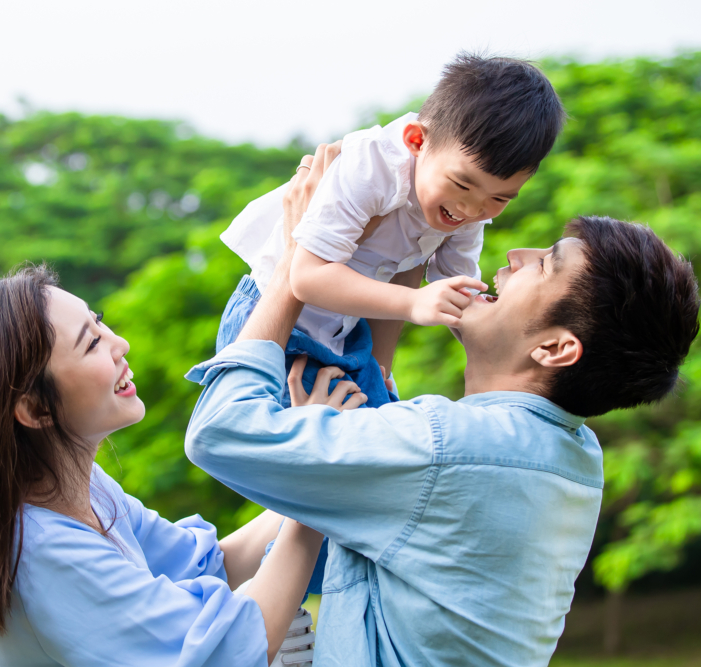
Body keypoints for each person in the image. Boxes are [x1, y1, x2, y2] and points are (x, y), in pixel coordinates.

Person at [185, 143, 701, 666]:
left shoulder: (450, 447)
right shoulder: (571, 457)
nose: (513, 258)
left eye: (544, 265)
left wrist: (296, 260)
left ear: (555, 348)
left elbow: (220, 432)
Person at [0, 262, 350, 666]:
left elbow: (209, 563)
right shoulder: (42, 555)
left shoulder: (82, 491)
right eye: (91, 343)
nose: (120, 343)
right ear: (36, 409)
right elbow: (230, 649)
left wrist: (320, 465)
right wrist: (311, 474)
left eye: (99, 323)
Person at [218, 53, 565, 408]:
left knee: (377, 418)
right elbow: (306, 276)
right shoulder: (371, 166)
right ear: (417, 141)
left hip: (347, 333)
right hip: (276, 322)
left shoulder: (464, 205)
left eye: (499, 198)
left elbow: (459, 286)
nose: (472, 210)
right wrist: (414, 302)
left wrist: (517, 334)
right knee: (291, 435)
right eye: (462, 185)